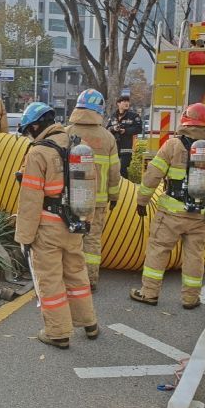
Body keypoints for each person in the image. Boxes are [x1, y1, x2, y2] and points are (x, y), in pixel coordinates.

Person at [131, 103, 205, 309]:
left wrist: (141, 201)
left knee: (158, 250)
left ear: (184, 121)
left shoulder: (173, 146)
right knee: (194, 256)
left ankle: (149, 293)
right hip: (200, 215)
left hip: (170, 213)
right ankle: (190, 298)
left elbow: (152, 176)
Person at [15, 102, 98, 348]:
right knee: (76, 274)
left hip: (48, 228)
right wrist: (87, 221)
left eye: (28, 131)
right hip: (74, 224)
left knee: (50, 280)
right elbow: (91, 186)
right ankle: (89, 322)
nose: (29, 135)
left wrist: (24, 237)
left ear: (35, 126)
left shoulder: (38, 153)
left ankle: (58, 333)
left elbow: (30, 200)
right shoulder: (78, 145)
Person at [65, 89, 120, 291]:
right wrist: (114, 196)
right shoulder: (108, 138)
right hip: (97, 201)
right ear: (99, 110)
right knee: (92, 240)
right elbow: (114, 171)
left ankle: (69, 278)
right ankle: (89, 281)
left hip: (69, 199)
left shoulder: (66, 133)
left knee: (70, 238)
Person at [106, 97, 143, 178]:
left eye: (128, 102)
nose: (127, 103)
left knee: (122, 168)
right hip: (114, 147)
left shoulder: (133, 116)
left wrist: (125, 131)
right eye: (124, 101)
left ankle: (125, 184)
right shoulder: (113, 116)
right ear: (118, 103)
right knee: (113, 169)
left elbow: (139, 129)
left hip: (126, 147)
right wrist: (113, 128)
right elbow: (107, 128)